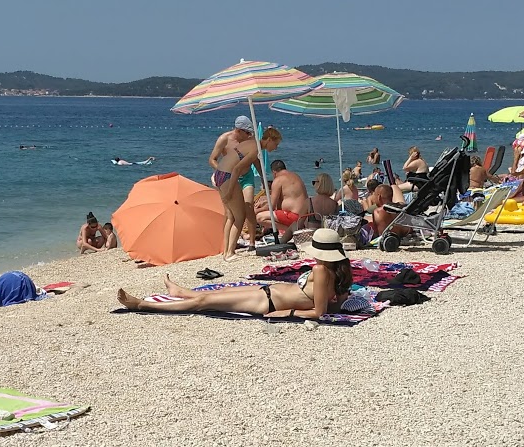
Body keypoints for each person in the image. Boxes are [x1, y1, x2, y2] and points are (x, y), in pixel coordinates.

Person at [117, 229, 355, 320]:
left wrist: (288, 312)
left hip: (267, 301)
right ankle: (180, 292)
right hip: (267, 294)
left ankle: (144, 305)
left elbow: (319, 311)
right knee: (218, 292)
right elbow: (330, 304)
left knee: (203, 303)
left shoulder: (321, 270)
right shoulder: (337, 270)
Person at [208, 115, 259, 257]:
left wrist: (263, 178)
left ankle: (252, 243)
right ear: (238, 130)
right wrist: (221, 172)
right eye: (247, 133)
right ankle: (227, 248)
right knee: (230, 213)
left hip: (246, 176)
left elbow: (255, 160)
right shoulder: (224, 139)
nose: (249, 135)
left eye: (250, 133)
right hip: (228, 178)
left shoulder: (249, 141)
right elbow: (212, 159)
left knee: (248, 206)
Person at [257, 159, 310, 239]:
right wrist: (264, 202)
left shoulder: (278, 180)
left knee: (260, 217)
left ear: (274, 172)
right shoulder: (295, 176)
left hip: (294, 217)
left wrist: (255, 211)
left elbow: (271, 207)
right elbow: (288, 197)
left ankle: (291, 230)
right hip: (304, 217)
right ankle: (292, 229)